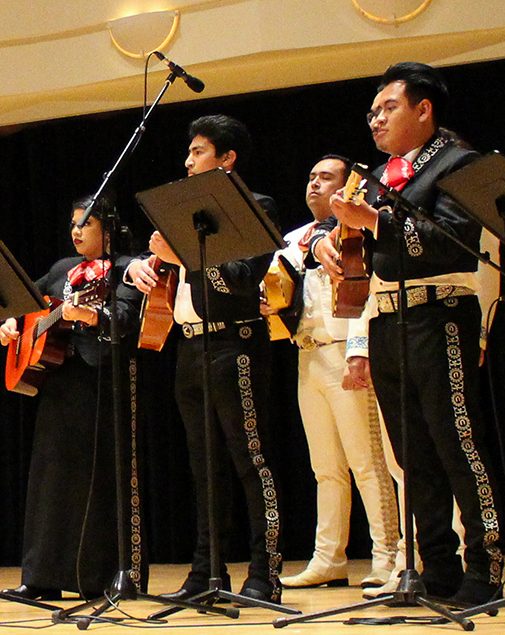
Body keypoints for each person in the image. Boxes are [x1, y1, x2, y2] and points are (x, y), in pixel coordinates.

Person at [311, 62, 505, 606]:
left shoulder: (459, 161)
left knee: (457, 443)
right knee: (411, 455)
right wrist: (326, 243)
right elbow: (345, 237)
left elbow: (453, 240)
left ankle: (485, 566)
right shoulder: (377, 176)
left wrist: (372, 223)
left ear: (424, 109)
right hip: (387, 320)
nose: (376, 120)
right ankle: (433, 568)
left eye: (388, 108)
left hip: (442, 313)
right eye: (372, 112)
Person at [126, 115, 283, 604]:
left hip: (235, 343)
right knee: (203, 467)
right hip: (189, 345)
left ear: (227, 158)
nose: (188, 161)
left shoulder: (256, 207)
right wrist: (140, 267)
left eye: (198, 152)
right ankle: (205, 573)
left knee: (250, 460)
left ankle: (265, 573)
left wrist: (185, 257)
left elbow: (239, 278)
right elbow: (167, 271)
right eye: (189, 152)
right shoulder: (181, 217)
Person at [0, 195, 144, 600]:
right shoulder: (62, 269)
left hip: (100, 378)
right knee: (49, 478)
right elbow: (27, 306)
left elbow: (127, 320)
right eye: (73, 224)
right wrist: (11, 325)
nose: (76, 231)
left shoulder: (124, 269)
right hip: (59, 381)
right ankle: (40, 577)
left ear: (108, 229)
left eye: (86, 224)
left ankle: (97, 578)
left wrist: (93, 315)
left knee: (95, 477)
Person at [269, 154, 399, 590]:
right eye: (311, 176)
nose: (314, 184)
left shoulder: (356, 234)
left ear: (346, 188)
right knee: (325, 467)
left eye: (326, 177)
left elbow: (366, 295)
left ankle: (388, 556)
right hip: (307, 352)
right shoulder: (292, 239)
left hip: (346, 349)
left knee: (368, 462)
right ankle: (329, 557)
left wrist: (359, 350)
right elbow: (277, 290)